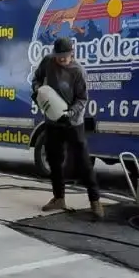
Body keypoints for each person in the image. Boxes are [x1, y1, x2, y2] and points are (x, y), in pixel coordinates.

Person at [32, 37, 102, 218]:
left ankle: (95, 201)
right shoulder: (48, 61)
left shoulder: (78, 71)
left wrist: (70, 112)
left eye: (65, 56)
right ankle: (59, 198)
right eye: (59, 56)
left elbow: (82, 99)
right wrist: (37, 91)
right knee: (54, 160)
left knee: (83, 161)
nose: (62, 59)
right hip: (52, 121)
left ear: (72, 53)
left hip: (73, 122)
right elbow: (37, 78)